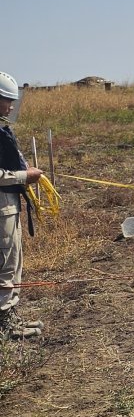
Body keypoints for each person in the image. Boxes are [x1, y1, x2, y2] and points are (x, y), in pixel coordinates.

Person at [0, 72, 45, 340]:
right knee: (5, 265)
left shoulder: (2, 129)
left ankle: (10, 316)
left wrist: (24, 169)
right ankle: (6, 323)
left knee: (13, 262)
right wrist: (23, 176)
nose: (11, 106)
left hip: (9, 205)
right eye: (7, 100)